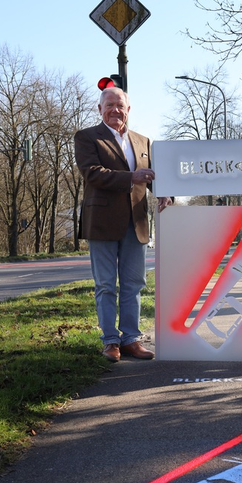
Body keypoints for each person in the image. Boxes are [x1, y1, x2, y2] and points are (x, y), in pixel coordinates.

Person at [74, 85, 171, 362]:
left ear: (128, 110)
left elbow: (151, 176)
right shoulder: (87, 137)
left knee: (134, 283)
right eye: (109, 105)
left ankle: (130, 339)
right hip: (102, 222)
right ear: (100, 108)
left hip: (136, 221)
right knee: (106, 285)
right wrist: (131, 178)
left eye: (120, 106)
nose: (115, 110)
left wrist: (165, 193)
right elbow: (92, 173)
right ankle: (110, 342)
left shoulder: (143, 141)